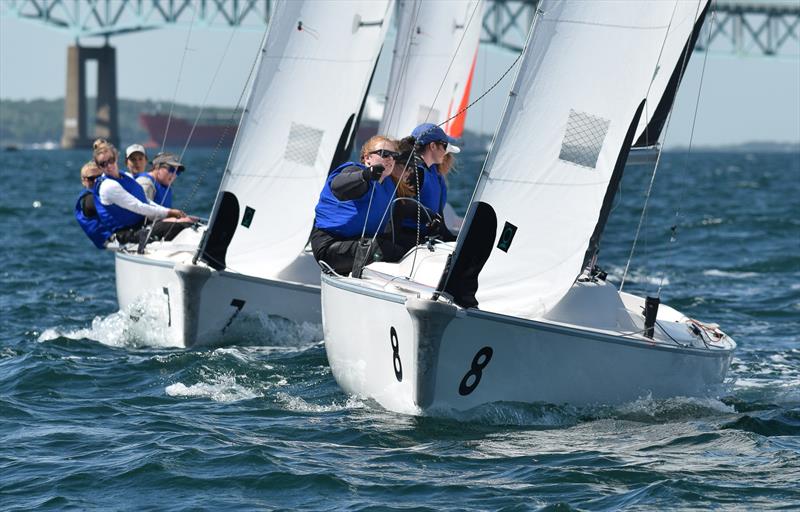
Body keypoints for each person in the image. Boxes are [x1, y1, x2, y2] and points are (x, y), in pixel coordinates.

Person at [311, 136, 414, 275]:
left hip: (361, 243)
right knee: (383, 250)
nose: (390, 158)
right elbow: (338, 186)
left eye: (393, 156)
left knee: (409, 247)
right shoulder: (355, 172)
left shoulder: (389, 186)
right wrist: (365, 175)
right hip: (330, 246)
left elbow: (405, 209)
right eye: (384, 154)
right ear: (367, 159)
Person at [91, 139, 191, 245]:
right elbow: (137, 206)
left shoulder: (126, 176)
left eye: (111, 160)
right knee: (180, 226)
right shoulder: (108, 186)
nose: (109, 166)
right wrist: (168, 213)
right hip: (127, 234)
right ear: (99, 167)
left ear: (116, 157)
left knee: (189, 223)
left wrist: (168, 211)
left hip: (140, 225)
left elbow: (145, 200)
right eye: (103, 164)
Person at [74, 160, 114, 248]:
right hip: (109, 240)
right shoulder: (89, 199)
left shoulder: (99, 194)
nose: (96, 181)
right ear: (84, 181)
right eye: (91, 179)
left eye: (99, 177)